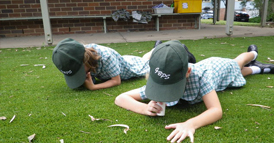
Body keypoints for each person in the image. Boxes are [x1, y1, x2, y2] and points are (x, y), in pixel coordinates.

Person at [114, 40, 274, 143]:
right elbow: (121, 98)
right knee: (237, 76)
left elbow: (216, 110)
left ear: (187, 72)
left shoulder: (200, 77)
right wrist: (145, 109)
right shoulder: (159, 78)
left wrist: (190, 124)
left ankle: (253, 53)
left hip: (217, 68)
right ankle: (260, 69)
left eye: (170, 86)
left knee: (237, 64)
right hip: (217, 78)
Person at [52, 38, 197, 90]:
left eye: (79, 71)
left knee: (151, 64)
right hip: (124, 60)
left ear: (86, 60)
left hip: (131, 68)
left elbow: (116, 81)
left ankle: (170, 50)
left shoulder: (106, 56)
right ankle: (156, 48)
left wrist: (94, 87)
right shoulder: (82, 56)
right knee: (143, 59)